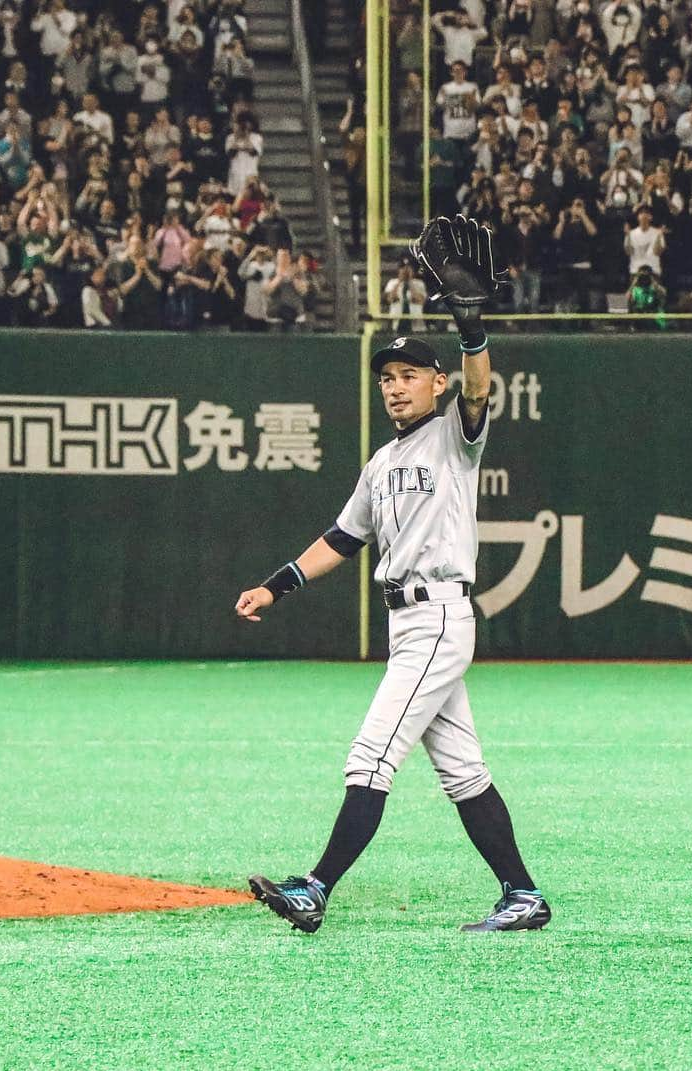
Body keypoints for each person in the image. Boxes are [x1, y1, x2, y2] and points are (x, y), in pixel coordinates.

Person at [241, 216, 549, 935]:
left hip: (439, 617)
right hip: (408, 620)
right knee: (463, 772)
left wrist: (472, 330)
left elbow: (479, 390)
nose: (396, 385)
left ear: (435, 382)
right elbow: (341, 538)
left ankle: (316, 888)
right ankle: (522, 894)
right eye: (387, 376)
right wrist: (276, 584)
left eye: (410, 374)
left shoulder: (455, 436)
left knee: (371, 754)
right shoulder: (380, 463)